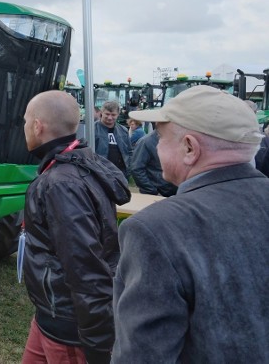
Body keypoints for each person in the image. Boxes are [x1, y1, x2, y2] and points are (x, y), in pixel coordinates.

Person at [113, 86, 269, 362]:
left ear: (189, 148)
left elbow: (142, 356)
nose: (155, 146)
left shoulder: (155, 230)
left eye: (160, 136)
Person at [20, 90, 131, 364]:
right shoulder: (73, 165)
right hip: (50, 313)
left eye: (25, 121)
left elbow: (86, 269)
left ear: (37, 126)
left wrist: (96, 344)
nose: (24, 128)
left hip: (68, 328)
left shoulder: (61, 185)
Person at [128, 129, 177, 196]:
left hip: (175, 193)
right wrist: (152, 191)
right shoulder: (145, 142)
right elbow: (136, 169)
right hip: (156, 194)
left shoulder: (177, 140)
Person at [94, 100, 132, 175]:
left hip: (120, 173)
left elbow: (129, 151)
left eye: (113, 115)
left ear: (118, 114)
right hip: (100, 173)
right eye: (107, 114)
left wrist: (129, 168)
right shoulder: (92, 130)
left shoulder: (123, 131)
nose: (110, 117)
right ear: (102, 112)